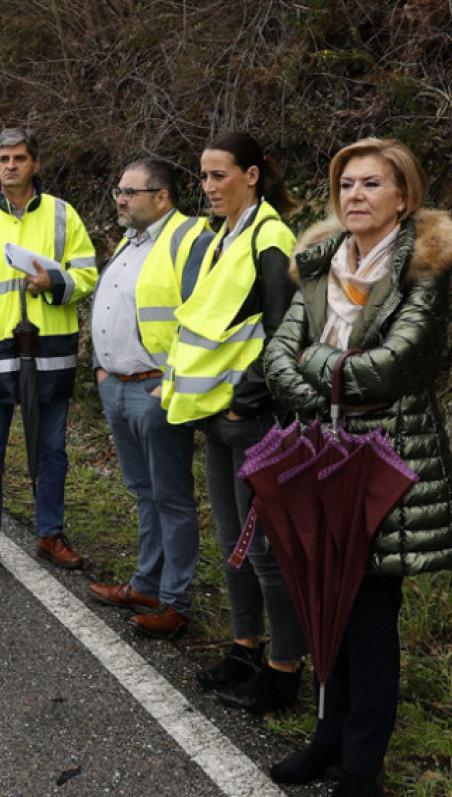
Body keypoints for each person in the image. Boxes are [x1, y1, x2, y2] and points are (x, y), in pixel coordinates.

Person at [265, 138, 452, 797]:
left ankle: (364, 766)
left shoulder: (426, 270)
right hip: (324, 453)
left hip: (389, 461)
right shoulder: (318, 264)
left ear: (404, 197)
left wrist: (319, 369)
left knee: (370, 614)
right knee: (328, 605)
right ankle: (328, 737)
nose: (356, 196)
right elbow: (278, 354)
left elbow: (397, 365)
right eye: (346, 184)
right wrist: (327, 384)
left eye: (372, 184)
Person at [161, 132, 307, 712]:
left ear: (251, 175)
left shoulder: (272, 237)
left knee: (266, 550)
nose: (209, 186)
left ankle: (282, 668)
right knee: (234, 544)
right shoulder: (221, 236)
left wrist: (247, 398)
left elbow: (284, 330)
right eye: (203, 176)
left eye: (219, 175)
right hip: (216, 416)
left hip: (251, 419)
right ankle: (245, 648)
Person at [0, 128, 97, 576]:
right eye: (3, 159)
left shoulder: (63, 216)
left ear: (35, 164)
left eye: (19, 158)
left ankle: (50, 533)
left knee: (52, 449)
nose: (10, 165)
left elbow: (87, 274)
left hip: (50, 351)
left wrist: (57, 283)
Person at [87, 158, 213, 638]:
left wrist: (172, 381)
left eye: (131, 192)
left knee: (172, 497)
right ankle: (146, 582)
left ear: (162, 197)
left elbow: (203, 317)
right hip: (117, 387)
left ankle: (174, 601)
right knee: (144, 493)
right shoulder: (130, 240)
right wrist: (101, 369)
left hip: (156, 389)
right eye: (118, 189)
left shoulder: (188, 240)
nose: (120, 198)